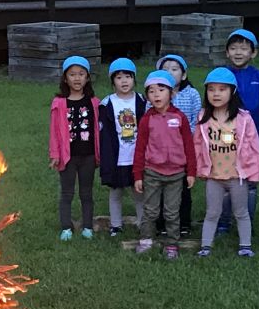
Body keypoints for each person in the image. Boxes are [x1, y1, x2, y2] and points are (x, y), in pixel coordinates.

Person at [219, 29, 259, 232]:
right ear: (227, 52)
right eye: (234, 48)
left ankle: (246, 222)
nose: (238, 52)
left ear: (253, 53)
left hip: (253, 140)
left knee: (250, 182)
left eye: (244, 48)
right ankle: (223, 222)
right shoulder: (222, 76)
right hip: (225, 138)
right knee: (225, 179)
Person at [194, 68, 259, 259]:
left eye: (222, 89)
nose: (216, 94)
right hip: (214, 177)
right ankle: (206, 246)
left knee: (241, 212)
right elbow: (197, 146)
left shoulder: (243, 118)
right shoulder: (203, 118)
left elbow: (254, 147)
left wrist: (254, 173)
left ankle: (245, 246)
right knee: (212, 212)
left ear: (232, 92)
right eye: (211, 89)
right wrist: (199, 170)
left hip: (236, 176)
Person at [132, 70, 196, 259]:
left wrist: (191, 171)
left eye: (161, 90)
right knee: (150, 210)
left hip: (176, 174)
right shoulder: (147, 120)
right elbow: (140, 148)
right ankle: (146, 239)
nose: (156, 94)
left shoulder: (180, 118)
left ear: (172, 93)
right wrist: (137, 175)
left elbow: (189, 147)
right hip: (152, 172)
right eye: (151, 91)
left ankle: (172, 245)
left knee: (171, 211)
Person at [49, 56, 100, 241]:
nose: (77, 78)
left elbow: (98, 130)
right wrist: (55, 155)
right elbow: (54, 132)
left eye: (81, 74)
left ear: (87, 77)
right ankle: (66, 227)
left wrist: (100, 154)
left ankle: (87, 226)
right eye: (72, 74)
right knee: (67, 193)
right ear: (65, 78)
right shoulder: (59, 103)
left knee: (86, 193)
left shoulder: (94, 102)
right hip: (67, 157)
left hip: (88, 156)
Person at [154, 54, 200, 238]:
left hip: (183, 148)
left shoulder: (192, 94)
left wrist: (185, 137)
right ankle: (162, 223)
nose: (170, 73)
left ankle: (184, 223)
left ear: (184, 74)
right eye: (165, 70)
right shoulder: (156, 94)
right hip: (161, 149)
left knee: (183, 187)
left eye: (174, 69)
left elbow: (197, 119)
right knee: (161, 187)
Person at [98, 58, 145, 239]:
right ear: (112, 81)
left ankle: (143, 223)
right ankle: (116, 225)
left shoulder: (142, 100)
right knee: (115, 192)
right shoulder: (107, 103)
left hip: (136, 157)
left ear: (134, 79)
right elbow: (104, 134)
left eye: (128, 76)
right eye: (119, 77)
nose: (124, 81)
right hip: (116, 157)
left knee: (139, 192)